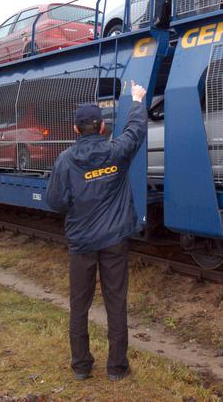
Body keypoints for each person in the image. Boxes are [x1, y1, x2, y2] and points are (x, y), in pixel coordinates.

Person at [46, 80, 148, 381]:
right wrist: (137, 101)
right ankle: (117, 368)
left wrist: (77, 201)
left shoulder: (65, 161)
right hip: (115, 240)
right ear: (102, 127)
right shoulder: (116, 152)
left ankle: (81, 366)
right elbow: (134, 131)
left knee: (80, 304)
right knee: (116, 302)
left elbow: (55, 202)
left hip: (82, 243)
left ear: (76, 130)